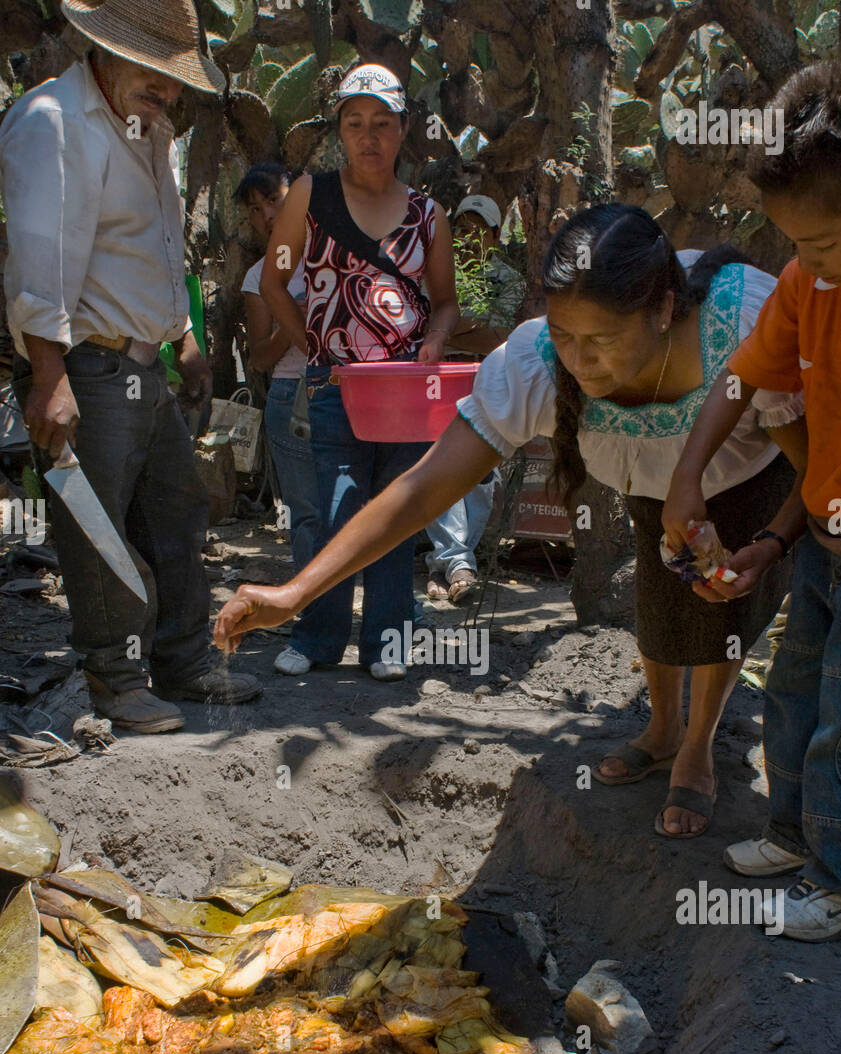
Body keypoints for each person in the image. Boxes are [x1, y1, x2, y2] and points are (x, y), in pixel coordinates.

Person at [216, 205, 808, 833]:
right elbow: (421, 490)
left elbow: (821, 463)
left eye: (603, 341)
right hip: (653, 482)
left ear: (663, 311)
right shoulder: (534, 362)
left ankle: (697, 748)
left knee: (719, 603)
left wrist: (771, 543)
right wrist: (295, 591)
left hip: (754, 469)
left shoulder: (748, 324)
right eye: (566, 336)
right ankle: (662, 732)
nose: (581, 361)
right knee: (661, 595)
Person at [0, 0, 261, 734]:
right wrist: (48, 376)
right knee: (97, 529)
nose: (171, 92)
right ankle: (115, 680)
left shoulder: (147, 129)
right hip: (86, 364)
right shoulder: (52, 122)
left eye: (177, 81)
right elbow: (37, 257)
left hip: (144, 367)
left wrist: (181, 334)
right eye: (159, 76)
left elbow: (154, 242)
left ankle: (181, 660)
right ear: (109, 52)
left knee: (175, 516)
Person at [664, 61, 841, 941]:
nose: (806, 264)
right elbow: (745, 384)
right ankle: (794, 836)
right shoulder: (805, 287)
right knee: (792, 695)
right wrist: (690, 473)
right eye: (793, 244)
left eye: (821, 244)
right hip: (826, 538)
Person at [258, 62, 459, 681]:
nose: (368, 135)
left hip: (404, 394)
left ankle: (387, 645)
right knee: (336, 510)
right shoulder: (310, 197)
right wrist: (314, 348)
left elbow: (446, 301)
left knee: (398, 515)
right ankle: (319, 639)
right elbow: (274, 280)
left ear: (402, 130)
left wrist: (434, 342)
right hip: (334, 388)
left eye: (382, 123)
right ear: (339, 132)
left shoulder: (429, 215)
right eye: (354, 123)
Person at [424, 195, 518, 605]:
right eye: (460, 228)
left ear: (496, 237)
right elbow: (426, 326)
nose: (467, 237)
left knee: (480, 474)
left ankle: (443, 565)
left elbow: (499, 335)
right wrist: (458, 328)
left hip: (487, 383)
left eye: (477, 229)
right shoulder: (439, 278)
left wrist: (448, 329)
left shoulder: (510, 280)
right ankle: (458, 562)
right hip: (437, 385)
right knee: (437, 464)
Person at [236, 162, 319, 574]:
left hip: (349, 389)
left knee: (361, 504)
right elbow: (259, 358)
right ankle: (315, 610)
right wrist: (291, 320)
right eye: (253, 208)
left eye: (272, 200)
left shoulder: (335, 253)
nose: (266, 215)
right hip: (292, 397)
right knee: (306, 514)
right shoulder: (257, 277)